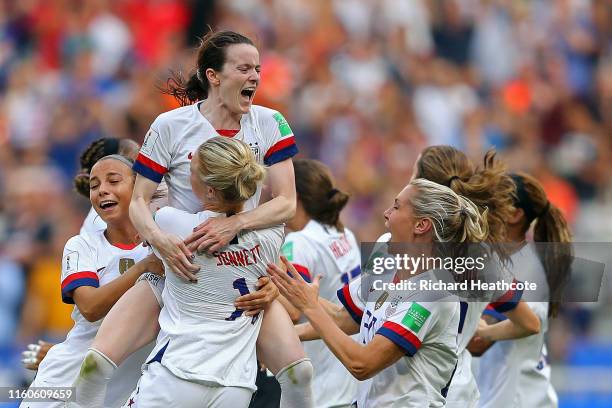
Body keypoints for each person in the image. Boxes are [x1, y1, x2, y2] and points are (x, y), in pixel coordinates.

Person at [73, 30, 312, 408]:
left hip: (240, 271)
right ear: (213, 76)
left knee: (299, 373)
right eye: (244, 68)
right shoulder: (170, 125)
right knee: (95, 365)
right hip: (177, 264)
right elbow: (139, 201)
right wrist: (160, 240)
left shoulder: (271, 122)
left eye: (258, 69)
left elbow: (286, 202)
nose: (255, 77)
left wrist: (234, 225)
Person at [271, 179, 488, 407]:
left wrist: (310, 307)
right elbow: (343, 318)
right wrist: (284, 316)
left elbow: (362, 364)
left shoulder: (433, 294)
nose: (386, 213)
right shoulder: (387, 254)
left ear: (421, 225)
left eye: (396, 207)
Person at [110, 137, 287, 407]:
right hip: (236, 385)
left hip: (177, 373)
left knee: (96, 362)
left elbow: (139, 205)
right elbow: (275, 219)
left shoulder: (172, 221)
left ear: (211, 191)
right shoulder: (273, 234)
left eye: (192, 171)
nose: (186, 172)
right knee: (300, 371)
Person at [19, 155, 164, 408]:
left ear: (138, 186)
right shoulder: (81, 245)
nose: (102, 190)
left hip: (124, 390)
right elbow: (90, 308)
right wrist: (143, 268)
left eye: (114, 180)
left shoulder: (164, 243)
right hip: (63, 384)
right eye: (94, 185)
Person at [408, 146, 541, 408]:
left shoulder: (416, 251)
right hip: (460, 391)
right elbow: (529, 323)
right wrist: (483, 332)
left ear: (423, 187)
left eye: (413, 173)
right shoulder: (483, 254)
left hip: (420, 390)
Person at [473, 172, 570, 408]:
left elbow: (477, 342)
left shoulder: (525, 270)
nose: (481, 210)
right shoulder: (494, 261)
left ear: (515, 215)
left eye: (491, 204)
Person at [276, 159, 360, 408]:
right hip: (346, 375)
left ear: (297, 197)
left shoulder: (299, 242)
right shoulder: (345, 233)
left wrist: (257, 277)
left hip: (320, 381)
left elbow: (292, 310)